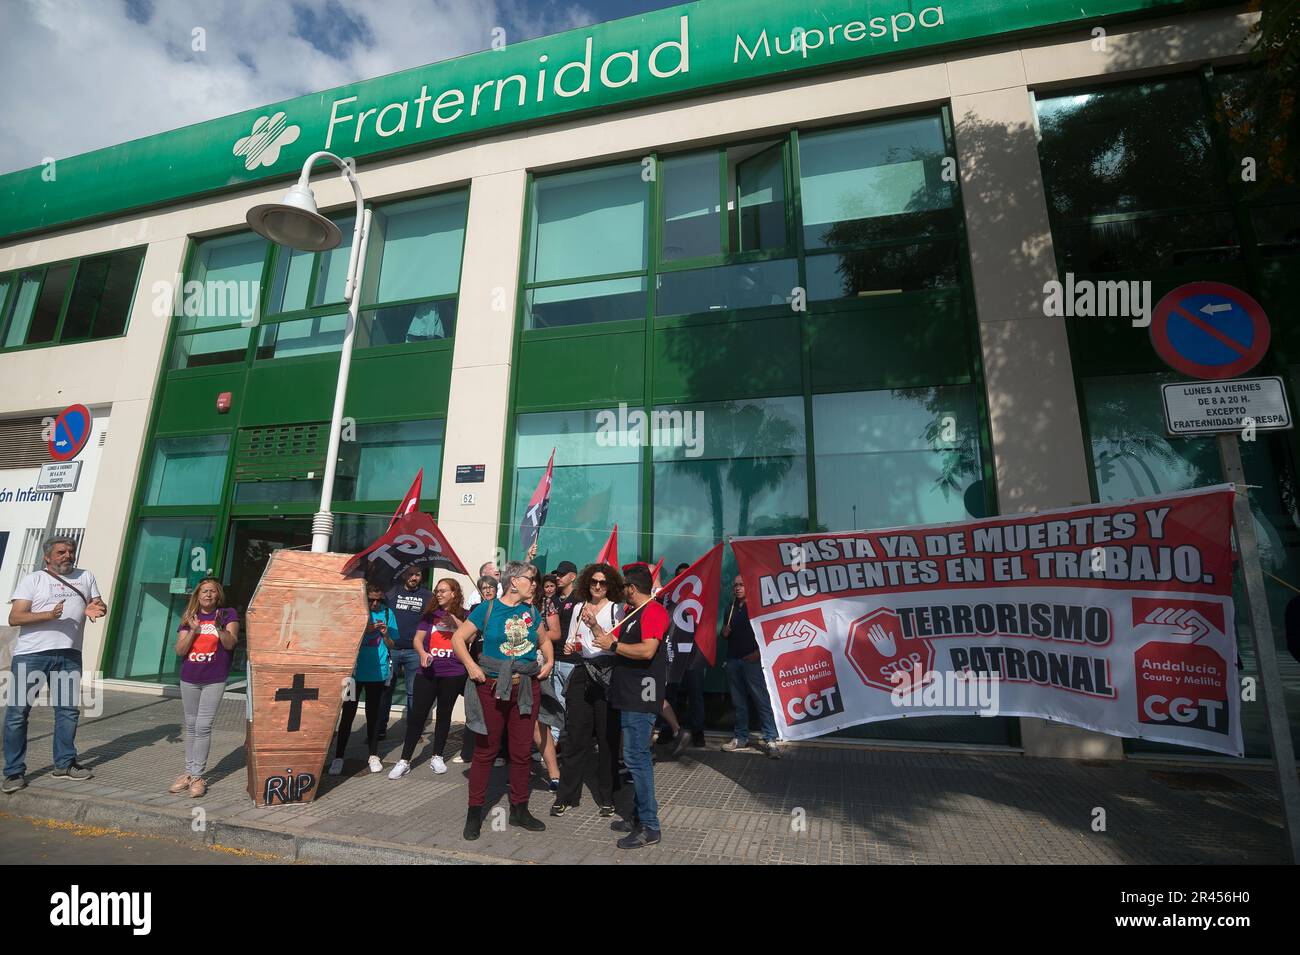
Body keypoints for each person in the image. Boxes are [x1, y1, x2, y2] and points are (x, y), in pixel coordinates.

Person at [452, 560, 553, 840]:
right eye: (530, 578)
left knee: (521, 753)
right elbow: (458, 639)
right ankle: (475, 813)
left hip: (526, 689)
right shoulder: (488, 609)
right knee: (485, 751)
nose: (534, 584)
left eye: (535, 579)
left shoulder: (532, 611)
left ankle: (520, 810)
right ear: (513, 581)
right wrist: (472, 667)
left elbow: (544, 641)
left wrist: (551, 661)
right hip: (492, 687)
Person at [4, 536, 106, 792]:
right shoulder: (34, 580)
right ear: (47, 557)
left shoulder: (86, 577)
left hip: (69, 655)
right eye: (61, 552)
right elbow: (15, 617)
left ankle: (65, 764)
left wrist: (99, 608)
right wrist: (49, 615)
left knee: (68, 712)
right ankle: (14, 772)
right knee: (18, 714)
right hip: (32, 655)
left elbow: (97, 603)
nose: (67, 556)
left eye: (70, 551)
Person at [595, 564, 670, 849]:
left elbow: (648, 650)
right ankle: (638, 816)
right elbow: (616, 642)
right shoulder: (634, 613)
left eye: (625, 586)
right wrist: (595, 629)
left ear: (632, 588)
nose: (622, 590)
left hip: (642, 698)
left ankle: (650, 826)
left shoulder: (653, 611)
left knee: (637, 760)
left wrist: (613, 647)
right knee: (636, 759)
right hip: (629, 695)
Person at [550, 562, 624, 817]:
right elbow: (572, 638)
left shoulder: (616, 609)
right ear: (587, 583)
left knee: (606, 739)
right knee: (575, 737)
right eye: (594, 582)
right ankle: (567, 795)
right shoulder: (580, 607)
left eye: (603, 583)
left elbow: (614, 643)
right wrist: (571, 647)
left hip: (606, 674)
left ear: (610, 585)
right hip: (582, 672)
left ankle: (608, 796)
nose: (598, 586)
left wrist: (594, 626)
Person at [389, 578, 466, 778]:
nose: (438, 594)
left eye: (443, 591)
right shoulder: (429, 616)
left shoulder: (465, 615)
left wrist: (455, 622)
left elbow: (471, 638)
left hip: (453, 673)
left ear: (454, 593)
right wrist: (422, 654)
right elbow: (417, 639)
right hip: (428, 672)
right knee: (417, 717)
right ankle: (404, 760)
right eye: (436, 591)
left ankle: (437, 756)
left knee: (444, 715)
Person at [171, 578, 239, 797]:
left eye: (212, 591)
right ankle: (189, 773)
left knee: (203, 726)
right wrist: (193, 630)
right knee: (191, 725)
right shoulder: (189, 617)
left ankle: (198, 776)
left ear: (218, 595)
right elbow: (180, 651)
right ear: (197, 596)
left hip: (214, 678)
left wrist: (218, 628)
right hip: (189, 677)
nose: (208, 595)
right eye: (204, 591)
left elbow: (230, 643)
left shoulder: (228, 614)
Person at [329, 582, 395, 776]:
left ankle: (373, 755)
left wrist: (385, 635)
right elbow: (341, 639)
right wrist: (363, 631)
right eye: (371, 600)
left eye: (378, 600)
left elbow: (392, 645)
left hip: (377, 673)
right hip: (352, 675)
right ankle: (338, 756)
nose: (375, 604)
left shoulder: (388, 613)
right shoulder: (352, 612)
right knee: (347, 715)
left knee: (373, 716)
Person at [722, 575, 781, 758]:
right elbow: (726, 633)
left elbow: (769, 633)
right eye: (735, 585)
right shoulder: (730, 608)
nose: (738, 588)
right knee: (738, 702)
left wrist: (759, 653)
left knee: (761, 700)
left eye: (741, 584)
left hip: (752, 662)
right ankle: (741, 738)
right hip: (733, 660)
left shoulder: (757, 608)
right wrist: (724, 633)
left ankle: (771, 740)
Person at [378, 565, 433, 740]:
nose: (414, 577)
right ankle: (379, 729)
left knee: (413, 692)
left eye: (417, 574)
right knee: (386, 691)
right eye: (410, 574)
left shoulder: (427, 596)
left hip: (415, 651)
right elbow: (377, 608)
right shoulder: (392, 592)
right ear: (404, 576)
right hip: (392, 648)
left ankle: (413, 731)